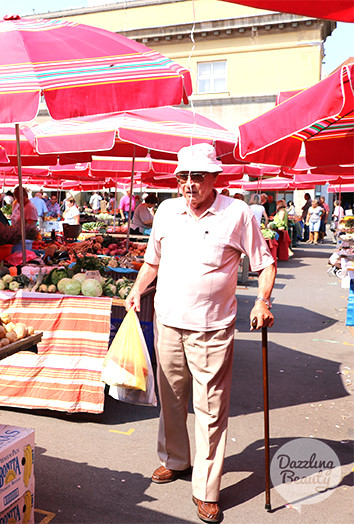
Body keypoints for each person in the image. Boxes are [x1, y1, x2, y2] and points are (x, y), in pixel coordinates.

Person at [125, 143, 276, 524]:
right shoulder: (166, 211)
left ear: (214, 179)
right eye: (183, 177)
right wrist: (135, 289)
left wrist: (263, 301)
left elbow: (265, 263)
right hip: (168, 321)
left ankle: (206, 489)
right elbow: (151, 260)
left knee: (210, 408)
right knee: (172, 399)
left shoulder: (237, 213)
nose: (189, 184)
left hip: (211, 327)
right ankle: (175, 459)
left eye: (197, 177)